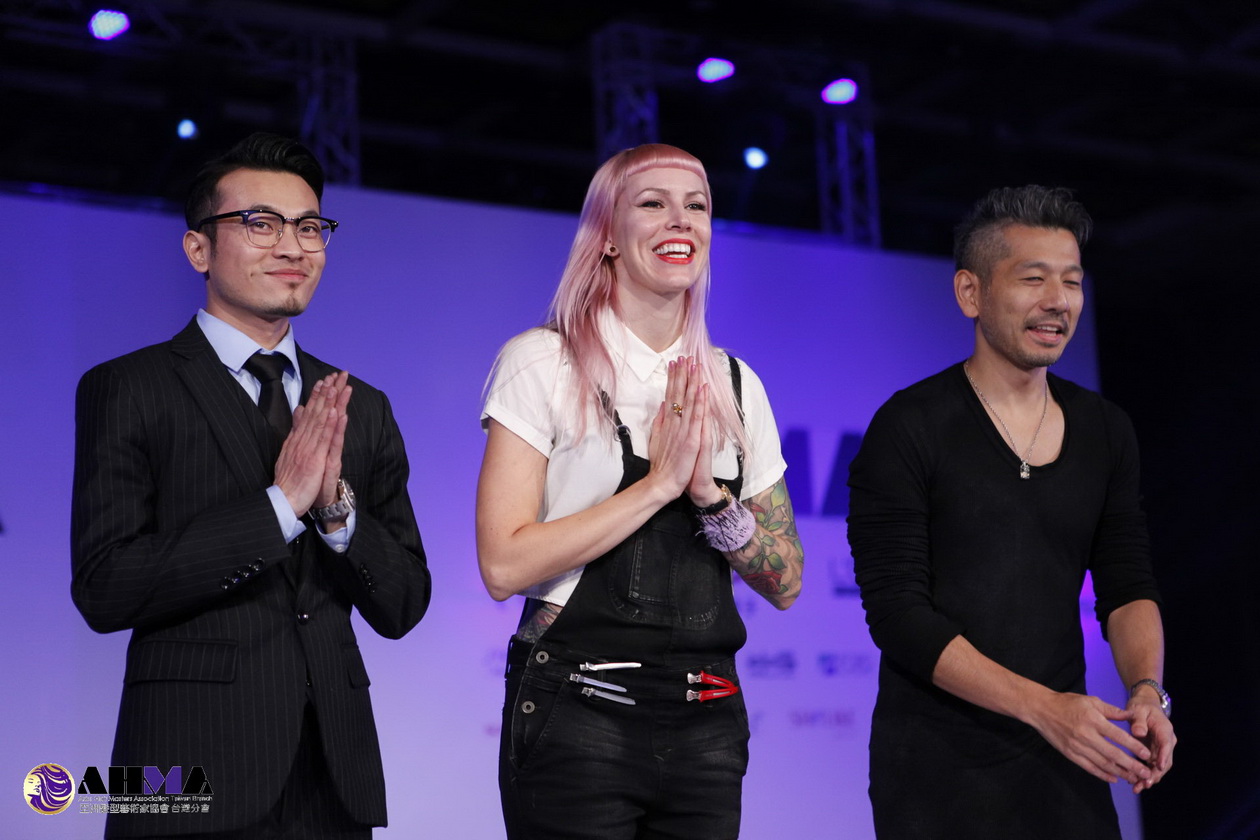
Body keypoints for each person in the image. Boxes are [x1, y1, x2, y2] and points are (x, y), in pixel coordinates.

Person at [71, 132, 431, 839]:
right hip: (183, 771)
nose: (292, 246)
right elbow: (106, 586)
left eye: (310, 227)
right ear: (198, 249)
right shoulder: (130, 387)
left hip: (332, 781)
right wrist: (279, 507)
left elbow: (403, 603)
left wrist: (334, 514)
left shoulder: (361, 406)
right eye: (260, 223)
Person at [476, 143, 804, 839]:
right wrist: (658, 487)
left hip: (708, 722)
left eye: (697, 206)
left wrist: (710, 497)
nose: (680, 221)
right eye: (653, 203)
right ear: (607, 236)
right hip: (579, 708)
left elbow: (786, 581)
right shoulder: (543, 362)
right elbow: (503, 565)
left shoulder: (736, 385)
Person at [847, 185, 1175, 839]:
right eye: (1034, 279)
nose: (1059, 301)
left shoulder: (1105, 429)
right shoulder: (910, 426)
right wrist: (1044, 709)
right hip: (936, 773)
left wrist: (1146, 690)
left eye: (1072, 282)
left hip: (1068, 767)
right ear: (970, 293)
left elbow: (1127, 581)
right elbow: (899, 616)